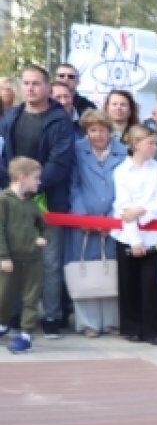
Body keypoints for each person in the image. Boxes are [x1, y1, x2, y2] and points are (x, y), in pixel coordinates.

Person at [0, 65, 75, 339]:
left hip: (48, 200)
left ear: (46, 87)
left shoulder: (60, 120)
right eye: (26, 83)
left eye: (36, 83)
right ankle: (13, 315)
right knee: (16, 260)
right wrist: (12, 188)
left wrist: (32, 187)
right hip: (12, 200)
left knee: (49, 262)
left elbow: (60, 162)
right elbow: (2, 155)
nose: (31, 88)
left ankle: (52, 316)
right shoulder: (11, 117)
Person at [65, 109, 126, 336]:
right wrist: (84, 217)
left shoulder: (123, 152)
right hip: (83, 218)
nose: (97, 134)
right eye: (92, 130)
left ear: (110, 130)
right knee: (84, 268)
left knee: (109, 267)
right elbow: (73, 185)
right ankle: (88, 323)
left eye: (102, 129)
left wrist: (111, 218)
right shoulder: (77, 150)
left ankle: (111, 321)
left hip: (113, 219)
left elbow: (126, 187)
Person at [111, 124, 157, 345]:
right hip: (126, 235)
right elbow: (124, 208)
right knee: (129, 282)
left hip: (154, 234)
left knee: (151, 282)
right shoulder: (121, 171)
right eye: (150, 143)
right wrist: (135, 238)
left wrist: (143, 211)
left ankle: (153, 329)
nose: (155, 147)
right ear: (136, 144)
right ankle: (132, 327)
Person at [0, 158, 49, 354]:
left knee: (31, 297)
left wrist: (43, 238)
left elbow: (44, 227)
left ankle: (26, 334)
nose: (39, 182)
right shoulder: (3, 201)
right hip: (9, 260)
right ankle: (2, 325)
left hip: (32, 259)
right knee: (4, 296)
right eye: (36, 178)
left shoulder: (32, 204)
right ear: (22, 177)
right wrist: (3, 256)